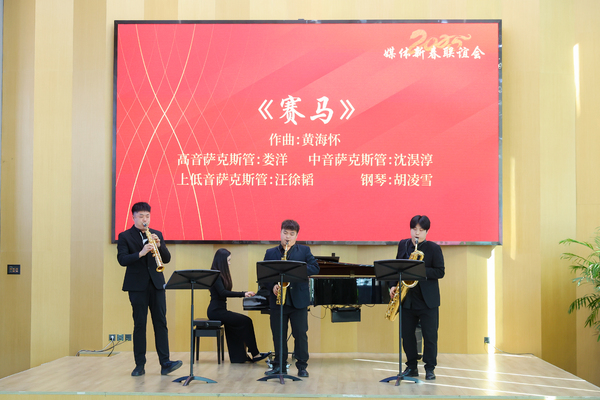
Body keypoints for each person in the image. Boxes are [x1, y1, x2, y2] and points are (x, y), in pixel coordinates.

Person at [117, 202, 182, 377]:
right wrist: (141, 252)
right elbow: (122, 259)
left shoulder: (157, 234)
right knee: (140, 324)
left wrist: (160, 246)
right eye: (141, 216)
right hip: (137, 286)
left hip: (157, 285)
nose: (144, 219)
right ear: (133, 217)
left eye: (147, 216)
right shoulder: (125, 236)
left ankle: (165, 363)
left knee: (161, 323)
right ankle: (140, 365)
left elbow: (166, 259)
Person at [390, 215, 445, 381]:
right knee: (407, 335)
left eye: (421, 230)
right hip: (407, 298)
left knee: (430, 336)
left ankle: (430, 368)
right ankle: (411, 367)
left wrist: (419, 270)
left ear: (427, 231)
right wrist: (392, 285)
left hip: (428, 301)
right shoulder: (403, 244)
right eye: (414, 229)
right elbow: (397, 266)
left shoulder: (434, 248)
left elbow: (440, 272)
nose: (417, 233)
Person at [263, 219, 320, 378]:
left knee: (300, 334)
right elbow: (264, 276)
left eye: (291, 234)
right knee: (278, 335)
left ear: (296, 236)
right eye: (285, 233)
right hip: (278, 301)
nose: (288, 237)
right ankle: (280, 366)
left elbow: (315, 268)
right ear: (280, 233)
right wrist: (272, 286)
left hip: (298, 301)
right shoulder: (270, 253)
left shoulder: (304, 251)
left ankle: (302, 366)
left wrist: (296, 269)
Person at [207, 248, 270, 363]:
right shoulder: (215, 275)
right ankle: (255, 354)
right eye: (228, 260)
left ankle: (239, 356)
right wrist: (243, 294)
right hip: (215, 311)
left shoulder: (219, 275)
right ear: (222, 261)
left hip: (220, 310)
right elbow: (223, 293)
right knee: (246, 321)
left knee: (237, 323)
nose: (229, 263)